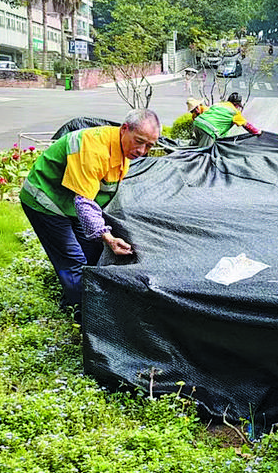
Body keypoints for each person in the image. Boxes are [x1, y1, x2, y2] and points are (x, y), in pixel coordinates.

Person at [20, 108, 161, 318]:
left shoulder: (123, 149)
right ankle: (87, 318)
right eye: (139, 141)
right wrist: (109, 237)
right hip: (46, 202)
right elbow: (84, 202)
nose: (142, 151)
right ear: (124, 129)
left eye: (149, 145)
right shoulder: (93, 149)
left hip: (71, 203)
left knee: (92, 251)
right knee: (73, 261)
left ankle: (71, 298)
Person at [186, 93, 261, 148]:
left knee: (196, 145)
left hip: (197, 124)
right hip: (208, 130)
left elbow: (208, 114)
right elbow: (247, 125)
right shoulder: (234, 112)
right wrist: (257, 132)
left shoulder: (218, 104)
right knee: (204, 152)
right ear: (237, 105)